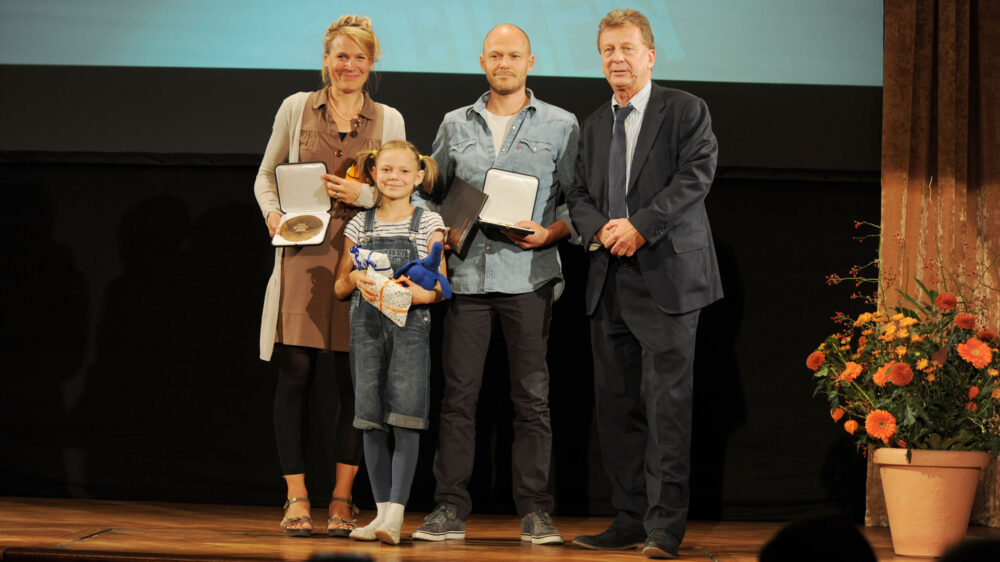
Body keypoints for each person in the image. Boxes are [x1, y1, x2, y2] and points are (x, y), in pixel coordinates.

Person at [410, 23, 578, 546]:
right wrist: (437, 226)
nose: (503, 63)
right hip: (467, 277)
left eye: (514, 55)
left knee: (532, 398)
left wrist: (551, 230)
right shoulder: (455, 123)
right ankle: (448, 508)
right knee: (459, 398)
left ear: (530, 61)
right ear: (483, 61)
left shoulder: (561, 124)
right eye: (495, 55)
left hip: (529, 277)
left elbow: (579, 202)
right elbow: (428, 192)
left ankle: (534, 511)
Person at [563, 9, 723, 560]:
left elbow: (694, 179)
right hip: (609, 283)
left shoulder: (685, 111)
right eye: (608, 50)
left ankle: (664, 529)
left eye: (627, 49)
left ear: (650, 55)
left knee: (667, 408)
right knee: (616, 410)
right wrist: (600, 230)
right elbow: (576, 195)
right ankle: (629, 519)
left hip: (669, 281)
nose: (617, 59)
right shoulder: (591, 125)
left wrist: (641, 227)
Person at [253, 15, 405, 537]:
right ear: (326, 59)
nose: (350, 66)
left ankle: (342, 499)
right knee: (295, 374)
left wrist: (362, 195)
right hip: (301, 258)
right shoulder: (296, 108)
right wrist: (274, 217)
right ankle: (296, 495)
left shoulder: (389, 119)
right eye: (342, 56)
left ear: (371, 64)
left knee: (354, 382)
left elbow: (399, 192)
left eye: (360, 58)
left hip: (360, 261)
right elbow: (265, 176)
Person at [333, 140, 448, 545]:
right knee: (370, 416)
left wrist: (417, 293)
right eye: (386, 171)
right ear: (373, 174)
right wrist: (356, 280)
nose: (393, 178)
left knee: (406, 416)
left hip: (409, 327)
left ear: (418, 177)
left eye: (403, 172)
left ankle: (396, 514)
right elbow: (339, 285)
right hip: (366, 328)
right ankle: (379, 514)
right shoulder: (358, 225)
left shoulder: (428, 222)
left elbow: (440, 286)